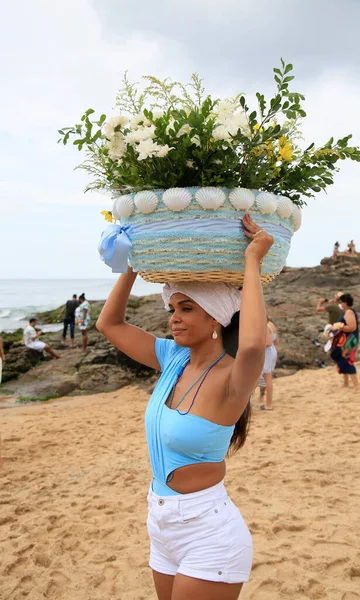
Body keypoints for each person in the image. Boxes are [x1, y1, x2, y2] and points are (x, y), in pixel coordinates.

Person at [96, 214, 273, 600]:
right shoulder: (172, 357)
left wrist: (252, 262)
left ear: (215, 317)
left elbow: (254, 345)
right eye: (171, 307)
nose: (173, 318)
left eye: (186, 308)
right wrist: (130, 263)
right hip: (160, 524)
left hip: (208, 530)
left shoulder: (232, 379)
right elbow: (109, 324)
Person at [330, 293, 359, 389]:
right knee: (342, 360)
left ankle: (356, 385)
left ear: (345, 303)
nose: (340, 304)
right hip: (345, 340)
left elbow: (352, 327)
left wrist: (340, 326)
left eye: (342, 302)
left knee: (348, 361)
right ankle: (346, 383)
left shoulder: (349, 312)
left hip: (350, 340)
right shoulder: (346, 312)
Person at [259, 317, 279, 411]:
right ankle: (263, 398)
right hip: (272, 352)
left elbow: (269, 343)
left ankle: (269, 404)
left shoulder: (266, 327)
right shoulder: (272, 325)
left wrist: (257, 346)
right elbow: (276, 342)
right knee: (267, 375)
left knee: (267, 377)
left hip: (267, 352)